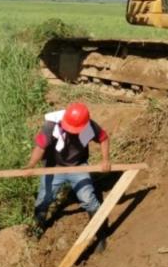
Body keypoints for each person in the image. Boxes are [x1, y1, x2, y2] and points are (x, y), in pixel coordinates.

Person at [23, 102, 111, 251]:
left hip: (78, 165)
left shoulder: (89, 126)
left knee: (89, 199)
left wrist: (105, 160)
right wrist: (31, 166)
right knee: (44, 200)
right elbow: (40, 147)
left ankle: (100, 235)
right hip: (54, 167)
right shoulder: (51, 126)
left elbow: (104, 138)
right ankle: (36, 231)